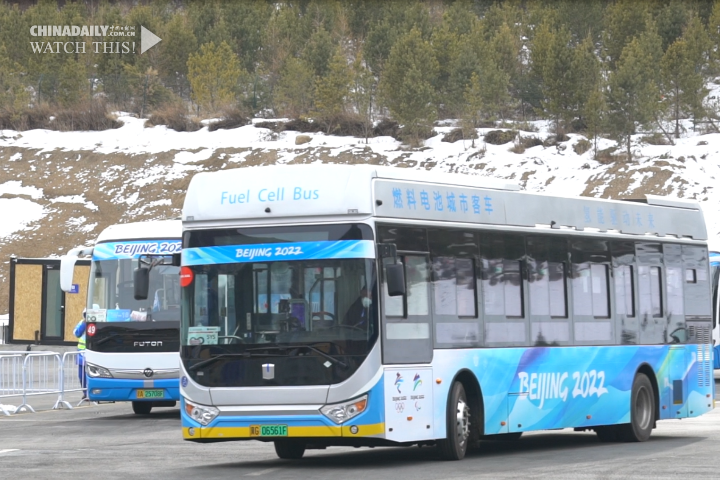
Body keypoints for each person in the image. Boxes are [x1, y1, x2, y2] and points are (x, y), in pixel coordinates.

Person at [73, 310, 88, 399]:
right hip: (81, 352)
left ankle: (92, 392)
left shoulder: (99, 323)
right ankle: (85, 393)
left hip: (94, 352)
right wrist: (84, 324)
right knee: (81, 375)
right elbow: (77, 333)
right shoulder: (82, 322)